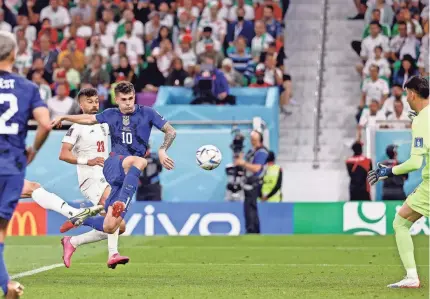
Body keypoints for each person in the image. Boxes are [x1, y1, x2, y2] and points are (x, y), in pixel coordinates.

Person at [51, 82, 176, 249]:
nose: (128, 103)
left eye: (131, 98)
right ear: (116, 99)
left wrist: (162, 150)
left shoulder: (148, 112)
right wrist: (64, 117)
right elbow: (88, 119)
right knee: (140, 160)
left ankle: (80, 219)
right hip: (114, 163)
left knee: (113, 226)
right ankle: (122, 203)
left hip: (129, 171)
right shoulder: (110, 114)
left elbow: (171, 131)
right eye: (124, 99)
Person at [0, 31, 52, 298]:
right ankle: (7, 285)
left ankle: (6, 284)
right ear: (14, 54)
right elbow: (45, 124)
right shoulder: (28, 88)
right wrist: (33, 149)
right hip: (11, 166)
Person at [368, 76, 429, 288]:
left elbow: (414, 162)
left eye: (406, 94)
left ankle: (412, 277)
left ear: (412, 93)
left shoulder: (421, 121)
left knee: (401, 223)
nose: (406, 98)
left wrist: (388, 170)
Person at [58, 88, 128, 269]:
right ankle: (113, 254)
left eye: (96, 100)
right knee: (114, 213)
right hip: (90, 179)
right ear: (81, 105)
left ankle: (73, 241)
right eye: (90, 101)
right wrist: (87, 160)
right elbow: (63, 155)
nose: (94, 104)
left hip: (106, 177)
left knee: (118, 227)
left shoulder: (103, 124)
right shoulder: (76, 127)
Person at [234, 130, 269, 233]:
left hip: (255, 182)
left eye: (254, 139)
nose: (252, 141)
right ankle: (251, 229)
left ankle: (252, 230)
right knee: (248, 207)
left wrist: (243, 163)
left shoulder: (262, 152)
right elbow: (242, 163)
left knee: (250, 207)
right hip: (248, 182)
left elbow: (257, 168)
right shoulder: (252, 151)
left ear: (259, 140)